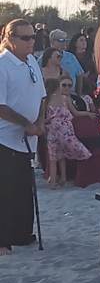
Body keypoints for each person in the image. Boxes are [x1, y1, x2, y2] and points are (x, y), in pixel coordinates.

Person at [0, 19, 46, 256]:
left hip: (28, 139)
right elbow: (1, 105)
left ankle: (21, 234)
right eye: (25, 38)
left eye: (32, 37)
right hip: (5, 138)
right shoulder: (2, 65)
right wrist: (25, 124)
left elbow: (41, 96)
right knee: (4, 190)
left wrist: (38, 123)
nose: (31, 42)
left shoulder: (32, 62)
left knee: (22, 189)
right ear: (9, 38)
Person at [44, 75, 93, 188]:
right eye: (64, 85)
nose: (66, 88)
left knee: (55, 156)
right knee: (61, 155)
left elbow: (44, 116)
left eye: (69, 85)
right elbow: (75, 113)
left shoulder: (48, 99)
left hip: (53, 130)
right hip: (63, 130)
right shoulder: (63, 99)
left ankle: (58, 180)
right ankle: (60, 179)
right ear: (58, 86)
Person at [47, 29, 85, 93]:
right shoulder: (44, 58)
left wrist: (79, 93)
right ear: (52, 42)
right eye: (61, 40)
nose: (64, 42)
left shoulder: (71, 57)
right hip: (52, 96)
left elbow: (79, 75)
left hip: (71, 94)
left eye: (65, 40)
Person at [68, 33, 98, 97]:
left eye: (85, 40)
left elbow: (96, 71)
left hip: (90, 86)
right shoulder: (70, 56)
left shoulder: (91, 56)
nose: (84, 42)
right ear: (75, 43)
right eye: (81, 40)